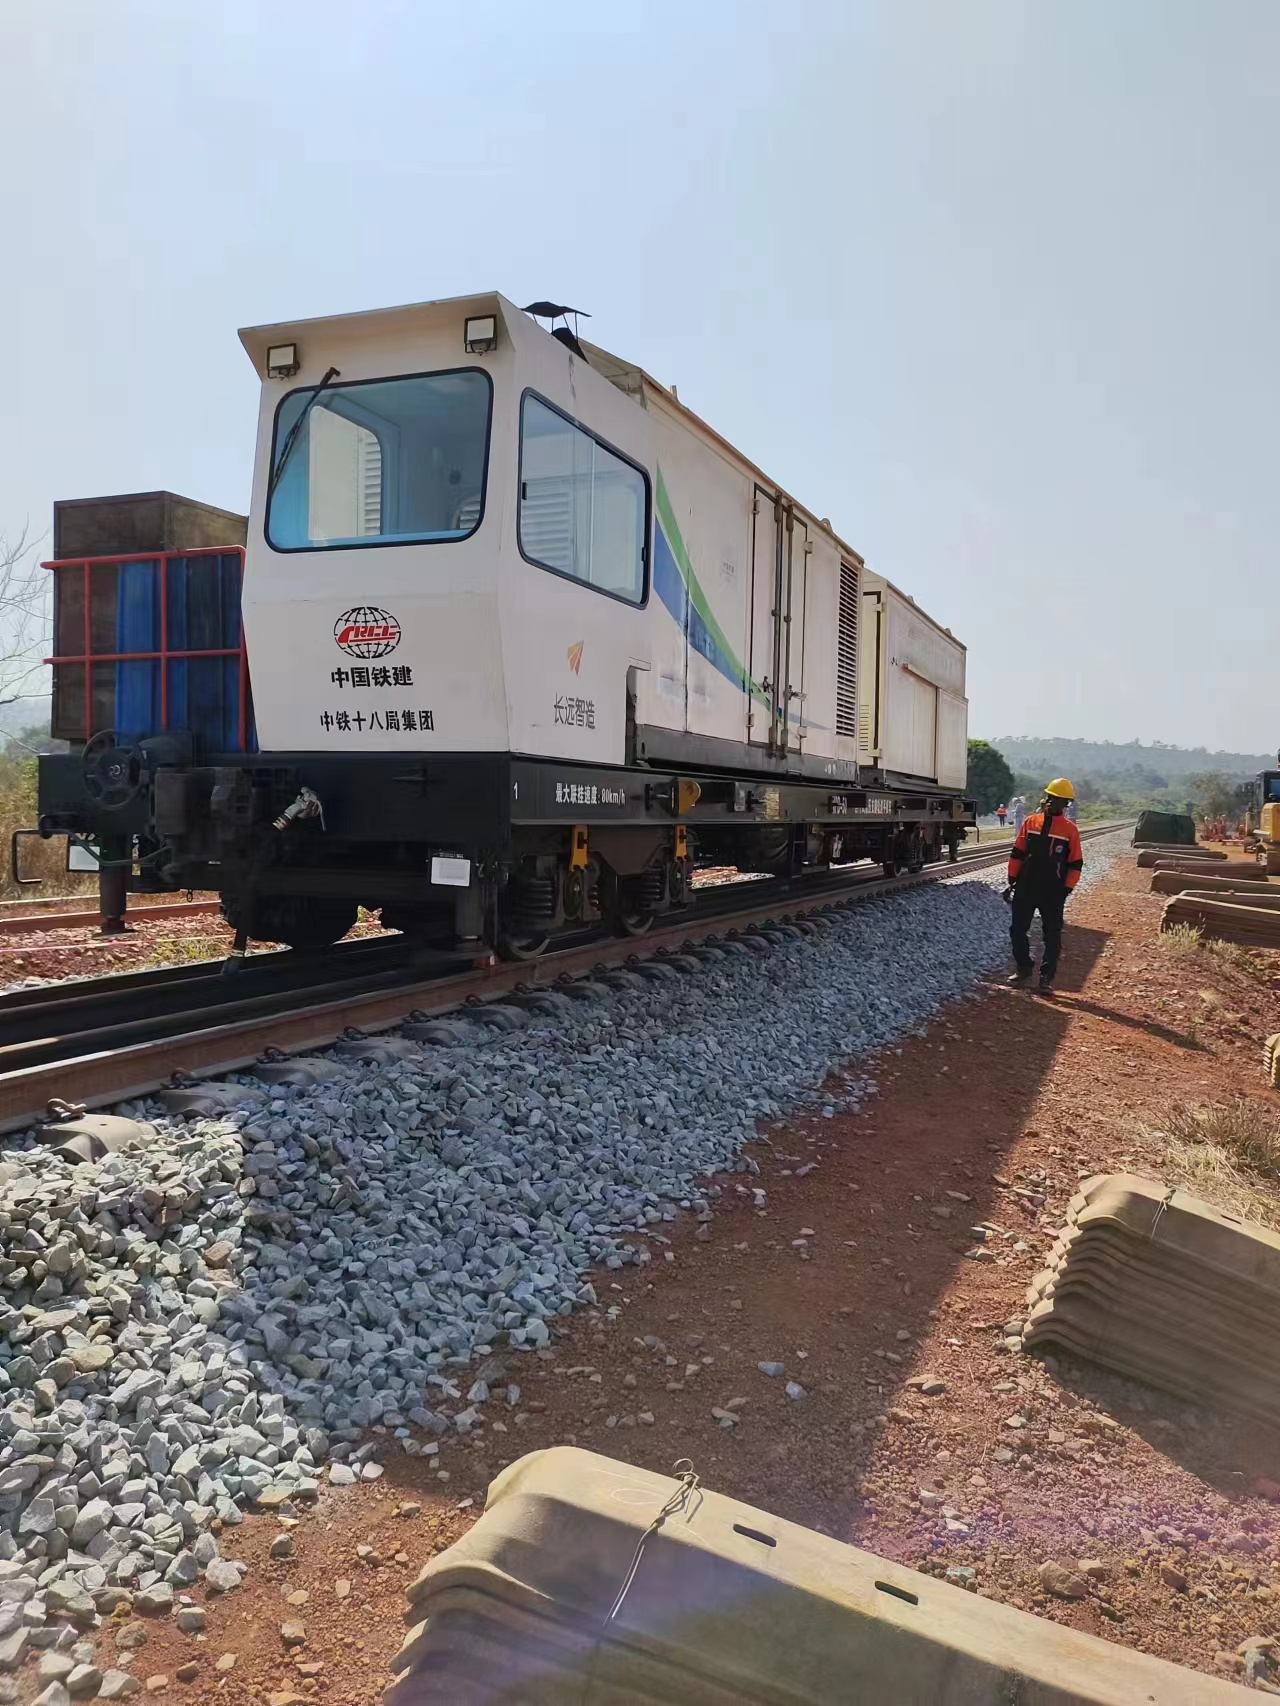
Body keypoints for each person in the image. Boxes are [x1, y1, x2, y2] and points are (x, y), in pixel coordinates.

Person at [1004, 778, 1083, 994]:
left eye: (1058, 800)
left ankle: (1046, 978)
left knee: (1052, 935)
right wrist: (1012, 878)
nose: (1052, 802)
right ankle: (1023, 968)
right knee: (1017, 930)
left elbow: (1075, 864)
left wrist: (1066, 890)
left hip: (1053, 891)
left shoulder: (1070, 831)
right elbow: (1018, 852)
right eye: (1050, 797)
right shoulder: (1031, 822)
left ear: (1066, 804)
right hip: (1026, 886)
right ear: (1045, 798)